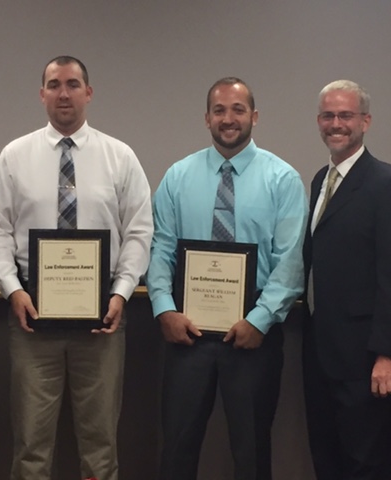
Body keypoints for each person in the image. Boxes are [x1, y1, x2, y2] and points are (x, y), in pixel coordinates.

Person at [0, 55, 153, 480]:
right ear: (41, 94)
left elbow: (139, 231)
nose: (63, 93)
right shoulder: (14, 156)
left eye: (73, 84)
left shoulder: (120, 157)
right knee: (32, 445)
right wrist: (12, 289)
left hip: (102, 322)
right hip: (31, 319)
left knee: (100, 445)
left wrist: (122, 291)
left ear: (88, 93)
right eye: (54, 84)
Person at [146, 77, 307, 480]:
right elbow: (161, 249)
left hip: (254, 330)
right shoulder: (177, 177)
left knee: (252, 451)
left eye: (237, 110)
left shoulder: (282, 179)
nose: (228, 119)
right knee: (177, 447)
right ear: (206, 118)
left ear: (254, 116)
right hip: (188, 329)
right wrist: (164, 308)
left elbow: (290, 261)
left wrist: (260, 320)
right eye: (219, 110)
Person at [302, 80, 391, 480]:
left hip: (364, 360)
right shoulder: (321, 180)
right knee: (327, 456)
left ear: (366, 121)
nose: (335, 124)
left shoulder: (384, 184)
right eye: (328, 115)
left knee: (365, 462)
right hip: (321, 351)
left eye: (345, 115)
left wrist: (386, 355)